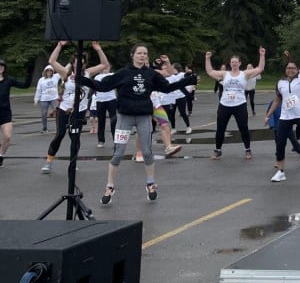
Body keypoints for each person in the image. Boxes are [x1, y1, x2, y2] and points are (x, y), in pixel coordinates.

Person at [78, 44, 195, 203]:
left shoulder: (151, 74)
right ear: (132, 55)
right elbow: (103, 86)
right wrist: (83, 80)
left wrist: (188, 80)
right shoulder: (123, 73)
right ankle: (109, 186)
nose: (142, 56)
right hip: (125, 117)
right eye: (139, 53)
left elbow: (167, 88)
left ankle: (151, 183)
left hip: (144, 117)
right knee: (118, 153)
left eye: (145, 53)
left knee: (147, 152)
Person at [42, 41, 110, 173]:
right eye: (76, 61)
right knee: (60, 134)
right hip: (64, 109)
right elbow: (52, 60)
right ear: (73, 63)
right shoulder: (64, 73)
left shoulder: (87, 73)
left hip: (80, 110)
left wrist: (99, 49)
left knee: (75, 136)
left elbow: (104, 65)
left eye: (82, 61)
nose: (79, 63)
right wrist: (60, 45)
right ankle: (48, 162)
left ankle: (73, 162)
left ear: (85, 63)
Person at [206, 48, 266, 160]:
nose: (234, 63)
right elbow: (210, 72)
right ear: (230, 63)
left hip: (240, 104)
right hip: (225, 105)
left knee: (243, 128)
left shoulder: (245, 74)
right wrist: (207, 58)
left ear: (239, 63)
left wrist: (262, 55)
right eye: (232, 62)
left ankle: (248, 150)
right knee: (220, 128)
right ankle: (218, 150)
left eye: (236, 62)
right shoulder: (225, 74)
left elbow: (260, 68)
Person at [0, 58, 32, 167]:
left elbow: (25, 85)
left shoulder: (8, 80)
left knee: (7, 137)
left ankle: (1, 155)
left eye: (2, 66)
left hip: (5, 113)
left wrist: (29, 74)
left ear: (4, 68)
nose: (0, 68)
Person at [92, 67, 118, 148]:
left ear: (109, 68)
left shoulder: (112, 75)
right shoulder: (97, 77)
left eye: (107, 67)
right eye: (104, 67)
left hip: (111, 99)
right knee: (101, 120)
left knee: (113, 120)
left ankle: (116, 140)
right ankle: (101, 140)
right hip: (100, 100)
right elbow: (95, 87)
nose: (105, 69)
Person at [33, 65, 60, 133]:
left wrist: (70, 63)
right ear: (45, 71)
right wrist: (36, 99)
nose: (49, 72)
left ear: (52, 71)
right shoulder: (41, 80)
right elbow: (38, 90)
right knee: (44, 113)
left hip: (54, 98)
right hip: (44, 99)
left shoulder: (55, 77)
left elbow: (64, 70)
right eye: (48, 71)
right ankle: (44, 127)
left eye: (51, 71)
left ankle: (59, 127)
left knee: (58, 112)